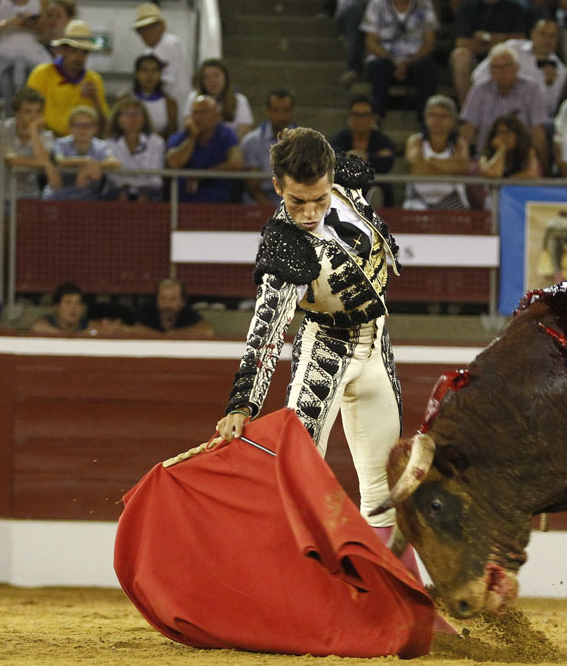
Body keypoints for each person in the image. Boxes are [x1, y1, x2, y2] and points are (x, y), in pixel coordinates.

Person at [214, 128, 406, 580]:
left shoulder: (346, 181)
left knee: (385, 489)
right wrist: (243, 403)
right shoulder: (284, 244)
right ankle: (287, 588)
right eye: (297, 201)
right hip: (324, 354)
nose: (309, 212)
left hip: (376, 345)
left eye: (317, 198)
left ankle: (393, 599)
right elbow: (267, 330)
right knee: (299, 481)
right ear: (278, 186)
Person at [459, 42, 549, 166]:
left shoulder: (531, 89)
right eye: (496, 67)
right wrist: (461, 162)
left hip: (522, 160)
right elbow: (467, 130)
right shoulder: (479, 90)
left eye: (506, 66)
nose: (502, 71)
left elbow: (538, 132)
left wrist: (544, 167)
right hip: (486, 158)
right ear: (490, 70)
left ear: (516, 68)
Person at [360, 0, 439, 119]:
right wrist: (394, 61)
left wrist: (407, 62)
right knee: (379, 66)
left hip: (415, 60)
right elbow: (371, 42)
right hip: (386, 59)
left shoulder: (423, 3)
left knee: (426, 65)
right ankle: (377, 118)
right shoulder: (376, 3)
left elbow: (430, 42)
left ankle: (425, 119)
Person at [25, 19, 107, 136]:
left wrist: (95, 100)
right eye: (74, 51)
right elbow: (29, 114)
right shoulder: (41, 74)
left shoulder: (94, 79)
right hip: (45, 139)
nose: (78, 57)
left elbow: (104, 125)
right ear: (63, 50)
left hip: (82, 144)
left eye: (84, 52)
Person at [470, 18, 566, 117]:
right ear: (533, 34)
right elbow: (478, 75)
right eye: (543, 34)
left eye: (552, 36)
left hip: (528, 117)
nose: (547, 40)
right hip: (494, 106)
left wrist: (549, 85)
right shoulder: (512, 47)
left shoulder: (560, 69)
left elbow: (549, 109)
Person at [450, 0, 528, 104]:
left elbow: (520, 39)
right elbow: (462, 42)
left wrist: (488, 38)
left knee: (515, 57)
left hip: (505, 58)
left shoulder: (514, 8)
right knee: (460, 55)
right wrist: (501, 41)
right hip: (475, 59)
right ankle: (467, 111)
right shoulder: (466, 8)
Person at [165, 94, 244, 203]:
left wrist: (204, 174)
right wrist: (192, 137)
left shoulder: (226, 135)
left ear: (217, 115)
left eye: (205, 112)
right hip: (183, 203)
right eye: (195, 112)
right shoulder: (180, 136)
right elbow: (173, 163)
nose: (199, 117)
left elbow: (237, 163)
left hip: (221, 203)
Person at [403, 94, 471, 210]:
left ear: (453, 120)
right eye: (433, 115)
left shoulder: (460, 143)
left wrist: (430, 161)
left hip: (452, 201)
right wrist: (450, 169)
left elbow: (462, 168)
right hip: (418, 200)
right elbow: (416, 169)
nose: (438, 120)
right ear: (425, 117)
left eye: (444, 116)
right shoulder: (416, 141)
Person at [329, 95, 396, 208]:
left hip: (373, 185)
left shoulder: (382, 140)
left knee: (383, 186)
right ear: (349, 116)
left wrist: (358, 156)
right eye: (356, 115)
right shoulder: (339, 138)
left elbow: (387, 163)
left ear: (373, 118)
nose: (360, 120)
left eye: (364, 115)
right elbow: (334, 159)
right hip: (345, 186)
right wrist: (372, 158)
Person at [42, 105, 118, 200]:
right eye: (78, 125)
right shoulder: (60, 143)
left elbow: (115, 162)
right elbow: (60, 160)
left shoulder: (101, 145)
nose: (83, 130)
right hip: (58, 198)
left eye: (87, 125)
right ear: (70, 127)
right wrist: (86, 161)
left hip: (89, 201)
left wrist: (94, 165)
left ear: (95, 128)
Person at [241, 88, 297, 207]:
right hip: (260, 205)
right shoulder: (251, 142)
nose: (281, 116)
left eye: (285, 111)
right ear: (267, 111)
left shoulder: (306, 142)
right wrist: (275, 213)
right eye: (276, 111)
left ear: (292, 111)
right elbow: (253, 188)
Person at [0, 85, 54, 199]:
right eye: (28, 111)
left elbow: (42, 162)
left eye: (38, 112)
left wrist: (33, 132)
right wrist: (44, 164)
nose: (34, 116)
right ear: (17, 113)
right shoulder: (1, 127)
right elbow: (10, 159)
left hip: (29, 195)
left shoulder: (46, 135)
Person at [105, 97, 165, 201]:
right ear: (118, 119)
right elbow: (113, 178)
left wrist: (134, 186)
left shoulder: (156, 142)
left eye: (137, 113)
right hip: (118, 193)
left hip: (149, 193)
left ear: (144, 118)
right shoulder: (109, 143)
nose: (132, 118)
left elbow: (155, 180)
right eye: (127, 113)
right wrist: (131, 185)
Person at [132, 2, 191, 103]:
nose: (146, 33)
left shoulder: (168, 43)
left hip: (174, 103)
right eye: (141, 30)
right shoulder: (149, 51)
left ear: (162, 26)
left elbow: (156, 83)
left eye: (151, 27)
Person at [0, 0, 49, 99]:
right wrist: (12, 22)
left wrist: (30, 24)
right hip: (1, 52)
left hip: (32, 53)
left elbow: (44, 32)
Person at [182, 58, 254, 140]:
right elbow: (188, 125)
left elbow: (244, 133)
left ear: (225, 77)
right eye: (207, 77)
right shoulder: (194, 97)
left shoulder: (239, 100)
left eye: (216, 75)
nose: (212, 81)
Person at [135, 278, 214, 337]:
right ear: (156, 300)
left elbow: (207, 330)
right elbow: (128, 328)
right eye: (163, 298)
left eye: (173, 299)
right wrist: (162, 336)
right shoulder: (145, 311)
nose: (167, 304)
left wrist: (173, 334)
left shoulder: (187, 313)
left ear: (182, 302)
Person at [478, 112, 542, 178]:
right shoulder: (486, 155)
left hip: (519, 188)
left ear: (518, 135)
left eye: (510, 132)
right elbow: (494, 174)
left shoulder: (528, 151)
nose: (506, 137)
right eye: (502, 132)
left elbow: (532, 173)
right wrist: (501, 150)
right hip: (496, 188)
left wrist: (508, 181)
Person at [130, 53, 178, 139]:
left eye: (154, 70)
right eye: (144, 70)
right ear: (137, 74)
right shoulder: (126, 100)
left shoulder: (169, 104)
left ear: (160, 74)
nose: (149, 75)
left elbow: (172, 136)